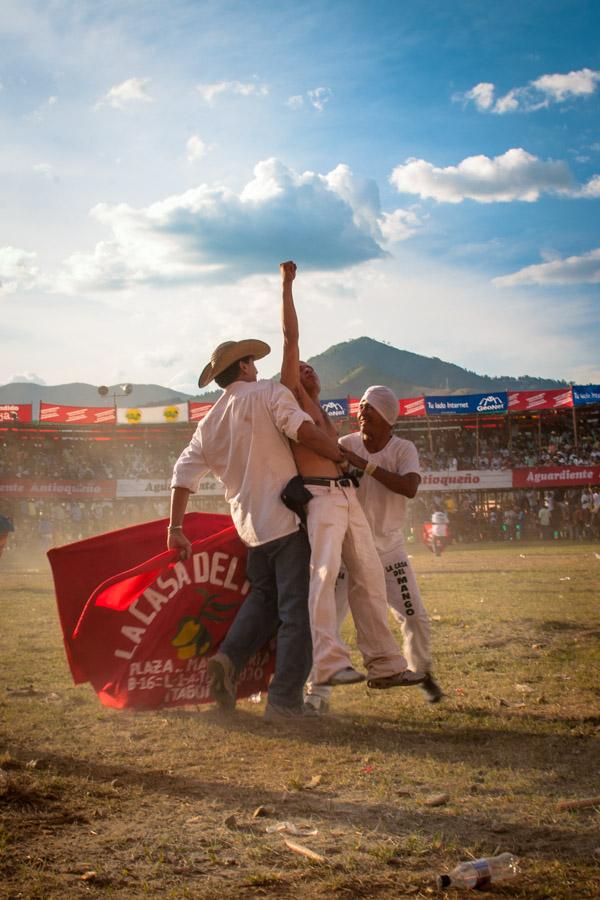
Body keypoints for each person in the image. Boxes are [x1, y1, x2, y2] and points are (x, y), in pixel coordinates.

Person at [168, 338, 344, 722]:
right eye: (253, 362)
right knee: (298, 614)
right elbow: (302, 429)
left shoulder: (209, 420)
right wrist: (339, 454)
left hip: (250, 528)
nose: (258, 368)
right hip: (285, 518)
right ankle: (283, 702)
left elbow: (182, 473)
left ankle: (229, 658)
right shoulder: (268, 392)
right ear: (245, 367)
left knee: (264, 600)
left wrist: (175, 527)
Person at [279, 260, 424, 695]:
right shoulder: (292, 399)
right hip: (323, 497)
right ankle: (321, 666)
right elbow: (290, 338)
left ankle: (383, 665)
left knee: (370, 580)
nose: (306, 370)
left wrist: (348, 464)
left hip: (343, 496)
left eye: (310, 368)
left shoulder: (322, 413)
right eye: (299, 368)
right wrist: (286, 286)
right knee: (324, 579)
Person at [307, 386, 443, 714]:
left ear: (388, 417)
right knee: (328, 621)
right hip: (347, 547)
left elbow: (409, 487)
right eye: (361, 408)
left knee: (413, 615)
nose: (362, 413)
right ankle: (316, 694)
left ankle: (420, 673)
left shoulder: (402, 448)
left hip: (388, 549)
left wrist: (363, 465)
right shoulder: (346, 444)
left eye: (370, 409)